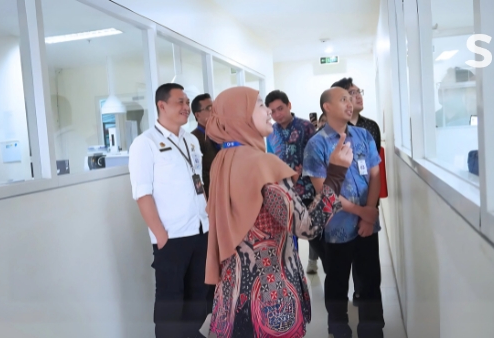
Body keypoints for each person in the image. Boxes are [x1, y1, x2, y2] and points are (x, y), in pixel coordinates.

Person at [204, 87, 352, 338]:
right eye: (261, 105)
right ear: (241, 116)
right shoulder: (262, 164)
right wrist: (336, 175)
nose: (269, 113)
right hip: (270, 297)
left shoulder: (222, 161)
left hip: (232, 295)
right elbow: (306, 227)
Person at [129, 83, 209, 338]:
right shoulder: (145, 144)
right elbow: (143, 194)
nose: (186, 107)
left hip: (201, 231)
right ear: (161, 106)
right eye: (180, 102)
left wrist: (209, 219)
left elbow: (200, 184)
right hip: (171, 237)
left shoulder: (191, 141)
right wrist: (160, 235)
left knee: (201, 296)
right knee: (170, 303)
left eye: (187, 103)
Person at [304, 87, 384, 338]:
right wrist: (364, 211)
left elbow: (374, 174)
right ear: (327, 107)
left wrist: (369, 212)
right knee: (337, 282)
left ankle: (372, 330)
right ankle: (338, 329)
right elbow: (324, 193)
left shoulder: (363, 135)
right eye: (343, 100)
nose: (350, 104)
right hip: (337, 227)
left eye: (351, 99)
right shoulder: (316, 144)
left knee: (370, 280)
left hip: (367, 224)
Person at [331, 77, 382, 306]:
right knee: (339, 273)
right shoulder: (326, 137)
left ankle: (367, 309)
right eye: (350, 93)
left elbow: (375, 174)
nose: (357, 95)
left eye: (358, 91)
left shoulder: (370, 128)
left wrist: (369, 212)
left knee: (368, 273)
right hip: (339, 216)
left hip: (367, 212)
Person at [265, 89, 323, 275]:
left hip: (307, 192)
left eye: (280, 108)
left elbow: (317, 159)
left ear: (289, 105)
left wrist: (300, 173)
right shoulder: (270, 133)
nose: (277, 114)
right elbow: (270, 159)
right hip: (283, 194)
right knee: (288, 240)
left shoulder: (306, 127)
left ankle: (330, 271)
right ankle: (293, 274)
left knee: (315, 235)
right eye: (272, 111)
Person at [191, 93, 220, 198]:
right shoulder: (193, 139)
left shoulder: (220, 133)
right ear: (197, 115)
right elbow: (197, 173)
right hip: (210, 195)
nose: (213, 111)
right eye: (208, 108)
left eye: (213, 107)